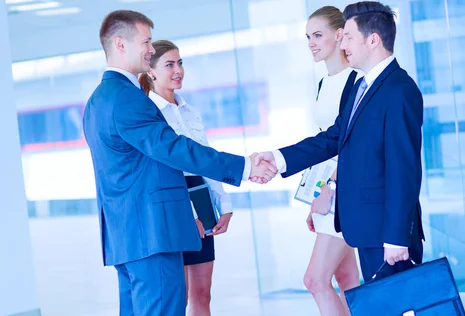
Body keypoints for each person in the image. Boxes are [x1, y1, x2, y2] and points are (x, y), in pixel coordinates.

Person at [82, 10, 275, 316]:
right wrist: (245, 167)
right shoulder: (127, 98)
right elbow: (173, 148)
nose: (150, 48)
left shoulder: (97, 100)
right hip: (151, 235)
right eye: (145, 41)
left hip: (127, 236)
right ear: (120, 44)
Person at [253, 1, 425, 283]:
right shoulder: (363, 86)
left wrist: (396, 236)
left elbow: (404, 170)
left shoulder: (399, 90)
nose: (343, 43)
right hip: (367, 226)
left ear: (373, 40)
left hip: (386, 234)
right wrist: (279, 157)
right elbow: (333, 138)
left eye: (348, 37)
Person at [138, 39, 232, 316]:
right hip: (172, 201)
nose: (178, 70)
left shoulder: (190, 112)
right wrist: (187, 214)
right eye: (169, 64)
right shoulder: (148, 113)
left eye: (180, 63)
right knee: (178, 294)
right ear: (151, 71)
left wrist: (223, 205)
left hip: (199, 194)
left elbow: (205, 160)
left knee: (203, 292)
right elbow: (165, 168)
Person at [301, 6, 360, 316]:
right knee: (346, 279)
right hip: (327, 190)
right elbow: (322, 144)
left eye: (318, 35)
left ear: (339, 35)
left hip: (343, 190)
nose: (311, 42)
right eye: (308, 37)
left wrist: (330, 188)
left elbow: (353, 146)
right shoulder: (325, 82)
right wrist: (316, 194)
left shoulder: (356, 81)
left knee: (315, 279)